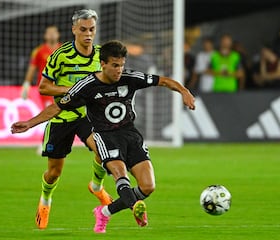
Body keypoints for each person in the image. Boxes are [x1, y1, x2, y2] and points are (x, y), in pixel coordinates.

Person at [11, 40, 196, 233]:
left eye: (122, 65)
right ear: (103, 64)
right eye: (115, 65)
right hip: (105, 136)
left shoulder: (130, 78)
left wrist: (184, 91)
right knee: (120, 175)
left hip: (131, 134)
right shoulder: (87, 85)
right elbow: (58, 106)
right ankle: (134, 206)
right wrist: (30, 123)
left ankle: (105, 212)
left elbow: (163, 81)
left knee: (148, 187)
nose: (119, 70)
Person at [29, 9, 112, 229]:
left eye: (91, 29)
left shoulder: (101, 54)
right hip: (62, 115)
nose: (88, 34)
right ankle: (45, 200)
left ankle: (96, 186)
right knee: (54, 172)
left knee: (103, 150)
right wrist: (74, 90)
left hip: (89, 116)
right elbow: (44, 87)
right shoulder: (60, 55)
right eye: (83, 29)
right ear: (74, 29)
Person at [21, 25, 61, 108]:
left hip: (62, 86)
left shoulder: (65, 50)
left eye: (54, 32)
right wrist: (26, 85)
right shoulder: (39, 51)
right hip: (46, 87)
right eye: (49, 33)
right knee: (50, 111)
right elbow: (32, 68)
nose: (52, 35)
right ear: (45, 36)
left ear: (58, 34)